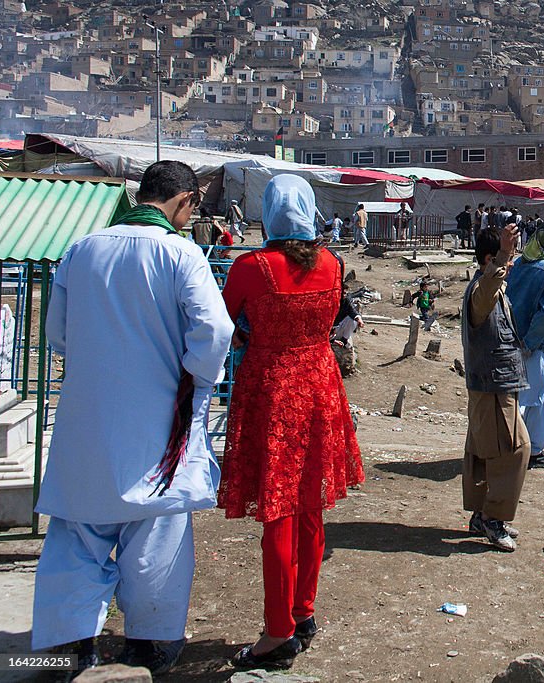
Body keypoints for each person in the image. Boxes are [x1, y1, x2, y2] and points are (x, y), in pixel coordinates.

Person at [31, 161, 234, 676]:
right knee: (157, 532)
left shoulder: (82, 249)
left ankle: (70, 640)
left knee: (78, 532)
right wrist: (193, 379)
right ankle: (150, 641)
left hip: (88, 419)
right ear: (185, 201)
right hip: (159, 420)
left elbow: (57, 332)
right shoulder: (181, 254)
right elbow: (214, 332)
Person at [218, 175, 364, 669]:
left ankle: (277, 633)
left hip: (273, 392)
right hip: (320, 386)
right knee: (309, 505)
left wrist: (243, 336)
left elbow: (223, 323)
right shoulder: (331, 263)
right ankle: (303, 612)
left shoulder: (250, 267)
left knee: (278, 512)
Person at [462, 225, 530, 552]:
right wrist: (504, 255)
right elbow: (489, 286)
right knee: (514, 450)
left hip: (498, 383)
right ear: (490, 259)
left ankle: (480, 514)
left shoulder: (495, 289)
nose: (510, 264)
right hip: (491, 386)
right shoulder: (482, 289)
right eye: (504, 259)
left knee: (484, 451)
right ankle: (493, 519)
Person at [506, 224, 544, 470]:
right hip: (538, 346)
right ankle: (526, 450)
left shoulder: (520, 265)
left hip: (512, 341)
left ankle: (516, 448)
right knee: (534, 401)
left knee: (517, 398)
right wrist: (530, 343)